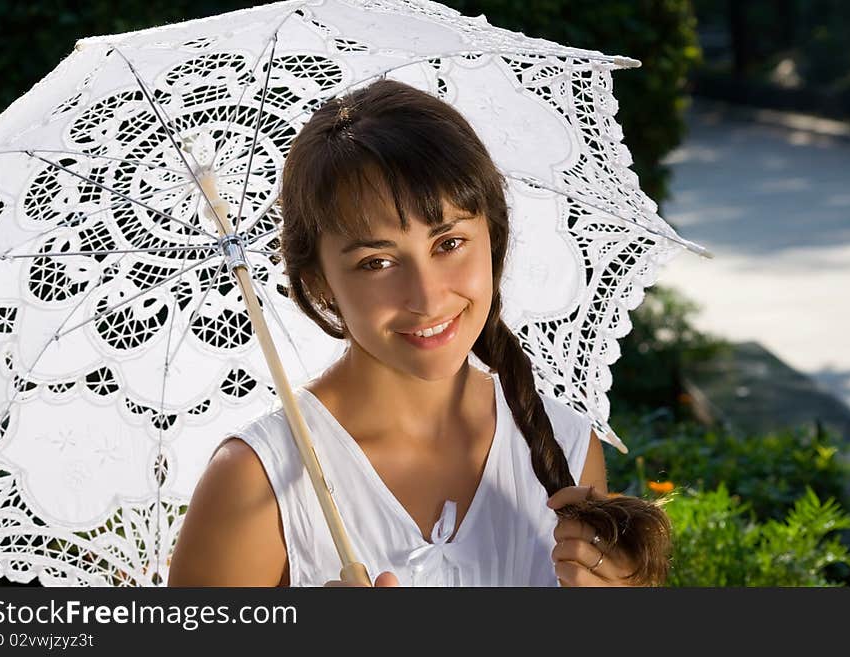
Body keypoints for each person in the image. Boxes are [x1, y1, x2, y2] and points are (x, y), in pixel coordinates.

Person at [167, 79, 671, 588]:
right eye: (377, 262)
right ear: (320, 283)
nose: (426, 297)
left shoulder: (564, 447)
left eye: (449, 243)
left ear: (492, 241)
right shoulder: (257, 483)